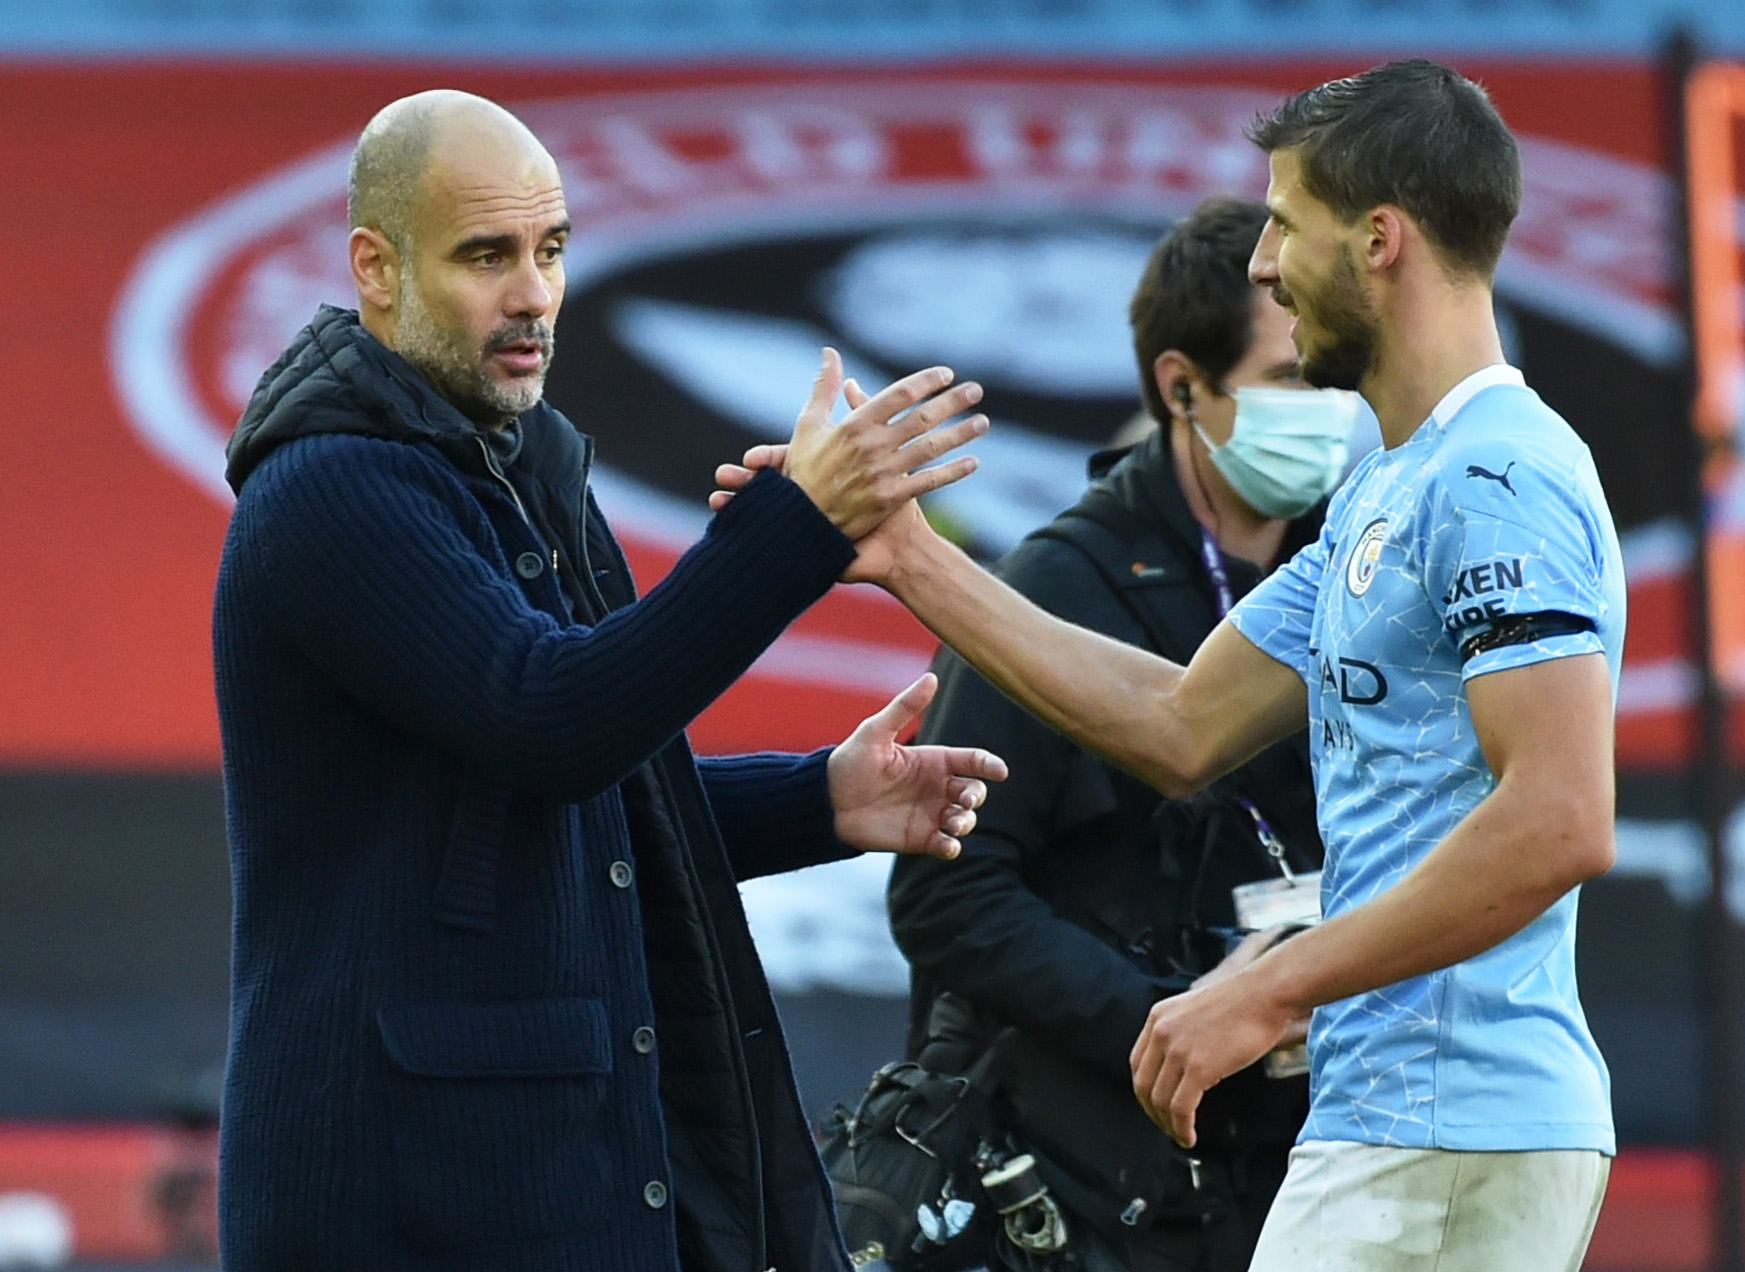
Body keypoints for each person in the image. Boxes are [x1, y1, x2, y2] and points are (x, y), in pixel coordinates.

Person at [717, 60, 1622, 1271]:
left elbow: (1558, 817)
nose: (1262, 266)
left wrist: (1267, 988)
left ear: (1378, 240)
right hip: (1389, 1122)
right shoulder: (1387, 488)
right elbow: (1177, 721)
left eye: (1285, 226)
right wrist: (909, 559)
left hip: (1451, 1125)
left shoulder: (1496, 476)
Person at [212, 89, 1006, 1272]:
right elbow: (552, 719)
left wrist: (817, 799)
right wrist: (793, 529)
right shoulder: (332, 490)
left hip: (540, 1176)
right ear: (375, 268)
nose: (534, 293)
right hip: (404, 1196)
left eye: (551, 249)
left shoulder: (523, 466)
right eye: (486, 255)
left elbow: (584, 796)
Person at [885, 197, 1353, 1272]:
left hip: (1299, 1166)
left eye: (1335, 378)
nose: (1326, 412)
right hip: (1081, 1189)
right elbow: (946, 896)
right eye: (1290, 381)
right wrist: (1174, 1023)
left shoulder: (1356, 564)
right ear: (1180, 386)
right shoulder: (1053, 591)